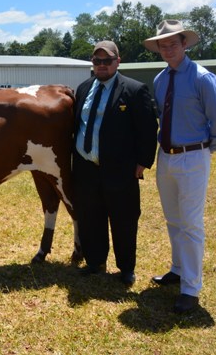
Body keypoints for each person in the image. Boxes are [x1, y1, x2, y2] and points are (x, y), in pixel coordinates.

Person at [144, 20, 216, 313]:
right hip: (165, 155)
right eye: (162, 45)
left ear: (185, 44)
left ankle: (191, 289)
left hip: (193, 155)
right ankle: (178, 269)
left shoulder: (202, 78)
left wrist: (205, 149)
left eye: (173, 43)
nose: (167, 49)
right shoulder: (160, 80)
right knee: (173, 219)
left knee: (191, 224)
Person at [73, 41, 158, 286]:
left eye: (106, 61)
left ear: (117, 61)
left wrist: (143, 162)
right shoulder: (83, 88)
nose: (101, 65)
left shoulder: (134, 89)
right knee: (90, 217)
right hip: (86, 167)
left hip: (120, 169)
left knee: (124, 220)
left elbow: (148, 128)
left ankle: (126, 268)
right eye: (96, 61)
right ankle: (95, 261)